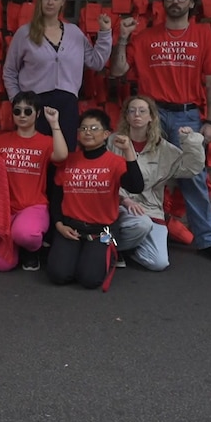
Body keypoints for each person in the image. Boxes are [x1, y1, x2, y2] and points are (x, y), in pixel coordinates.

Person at [109, 0, 211, 265]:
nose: (175, 2)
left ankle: (207, 241)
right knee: (134, 170)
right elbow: (117, 70)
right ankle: (127, 232)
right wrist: (123, 37)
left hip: (187, 113)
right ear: (164, 2)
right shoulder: (145, 37)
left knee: (195, 177)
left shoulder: (205, 36)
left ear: (192, 3)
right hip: (150, 113)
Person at [3, 0, 113, 151]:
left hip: (66, 103)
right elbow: (10, 71)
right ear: (40, 1)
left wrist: (105, 33)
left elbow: (96, 62)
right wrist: (18, 101)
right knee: (36, 153)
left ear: (63, 1)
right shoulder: (25, 33)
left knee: (64, 154)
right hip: (35, 103)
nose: (50, 2)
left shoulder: (74, 33)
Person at [47, 109, 144, 290]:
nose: (88, 132)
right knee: (58, 275)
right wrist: (59, 225)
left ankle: (108, 254)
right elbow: (56, 198)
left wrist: (128, 151)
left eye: (94, 128)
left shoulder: (115, 162)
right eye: (83, 128)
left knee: (90, 279)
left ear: (106, 134)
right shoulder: (69, 160)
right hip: (71, 227)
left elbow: (136, 186)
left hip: (102, 231)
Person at [108, 96, 206, 271]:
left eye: (142, 111)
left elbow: (192, 168)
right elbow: (104, 176)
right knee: (141, 224)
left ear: (151, 117)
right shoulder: (114, 141)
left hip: (150, 209)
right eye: (132, 110)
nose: (137, 114)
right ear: (127, 116)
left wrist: (190, 142)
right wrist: (124, 199)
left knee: (159, 263)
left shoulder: (163, 148)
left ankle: (125, 248)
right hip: (119, 206)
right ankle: (111, 248)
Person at [0, 91, 68, 271]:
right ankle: (15, 243)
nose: (22, 115)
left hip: (33, 206)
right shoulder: (1, 140)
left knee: (26, 235)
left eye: (28, 111)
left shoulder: (46, 141)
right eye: (17, 111)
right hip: (5, 208)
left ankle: (31, 250)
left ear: (37, 113)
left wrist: (54, 123)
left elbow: (62, 155)